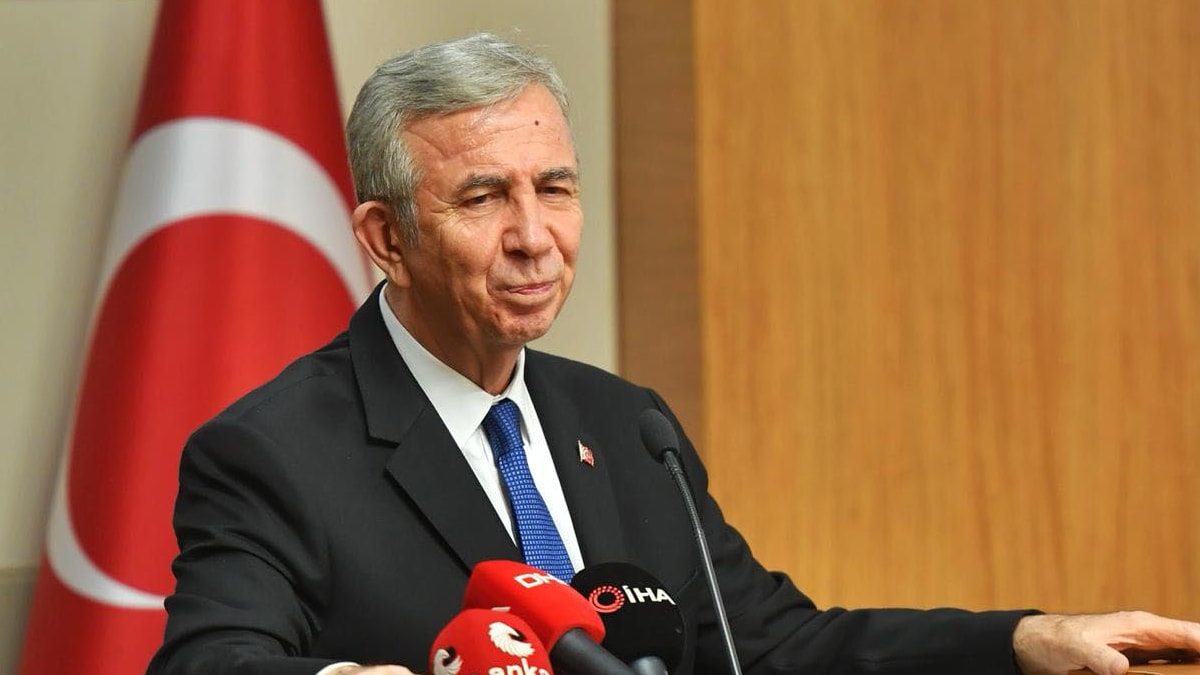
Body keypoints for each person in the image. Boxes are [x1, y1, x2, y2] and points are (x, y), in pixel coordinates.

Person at [147, 32, 1200, 675]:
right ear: (386, 239)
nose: (534, 236)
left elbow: (772, 646)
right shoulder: (275, 451)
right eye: (483, 198)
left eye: (555, 188)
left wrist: (1023, 640)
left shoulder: (625, 425)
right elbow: (210, 660)